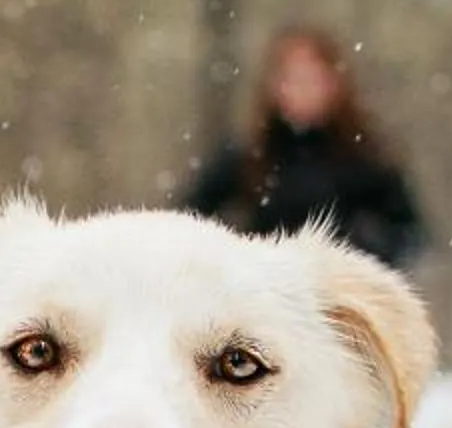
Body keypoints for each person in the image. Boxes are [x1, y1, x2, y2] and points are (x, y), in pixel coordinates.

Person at [181, 24, 428, 270]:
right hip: (267, 291)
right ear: (274, 86)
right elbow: (189, 216)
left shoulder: (365, 156)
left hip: (337, 294)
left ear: (334, 84)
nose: (302, 90)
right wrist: (236, 256)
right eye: (293, 79)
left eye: (312, 79)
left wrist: (364, 256)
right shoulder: (249, 155)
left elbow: (410, 235)